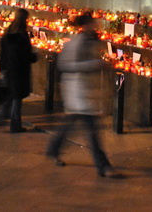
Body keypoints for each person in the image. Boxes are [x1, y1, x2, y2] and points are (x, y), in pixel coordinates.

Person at [47, 13, 119, 177]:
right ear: (86, 25)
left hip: (85, 94)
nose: (95, 26)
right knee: (92, 131)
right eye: (93, 23)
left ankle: (54, 149)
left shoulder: (90, 42)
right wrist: (96, 64)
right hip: (78, 93)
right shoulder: (75, 43)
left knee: (70, 126)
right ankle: (103, 166)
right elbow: (66, 65)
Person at [0, 8, 37, 132]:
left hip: (9, 69)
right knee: (16, 98)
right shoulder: (22, 36)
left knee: (12, 95)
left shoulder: (8, 33)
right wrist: (34, 56)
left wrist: (2, 69)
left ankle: (3, 114)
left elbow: (3, 53)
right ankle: (15, 125)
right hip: (19, 71)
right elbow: (25, 55)